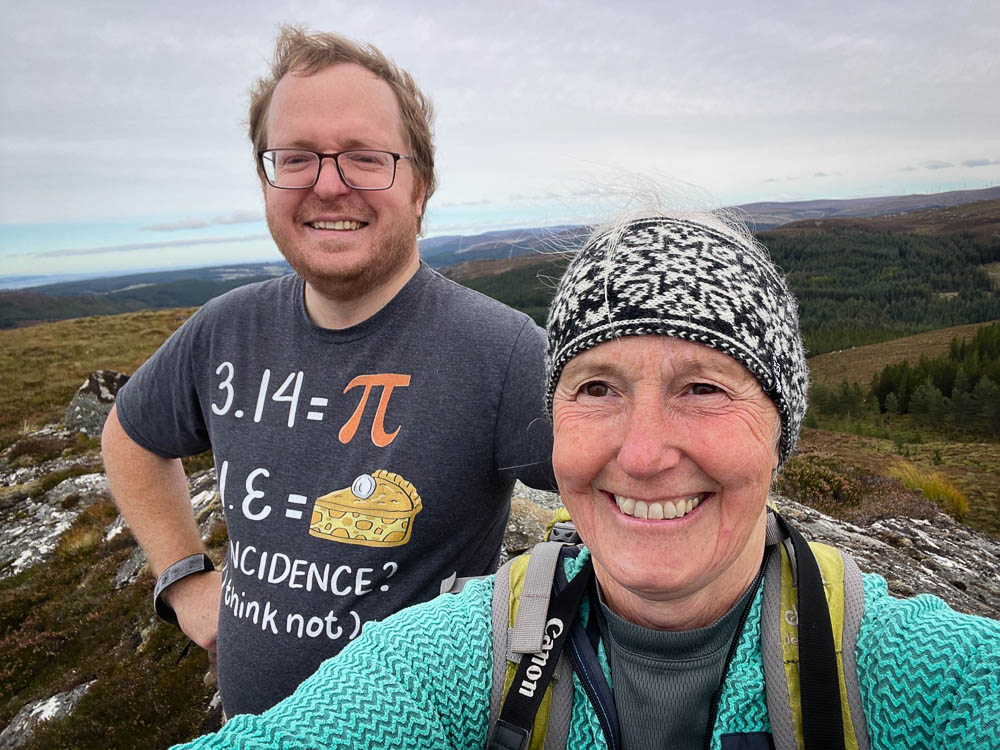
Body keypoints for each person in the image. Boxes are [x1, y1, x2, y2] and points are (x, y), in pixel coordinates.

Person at [168, 210, 1000, 749]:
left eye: (703, 388)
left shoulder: (914, 674)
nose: (641, 455)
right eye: (597, 388)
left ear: (781, 430)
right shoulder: (456, 656)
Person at [101, 26, 554, 717]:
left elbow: (629, 482)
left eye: (366, 158)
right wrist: (184, 578)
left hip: (413, 728)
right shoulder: (226, 329)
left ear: (420, 186)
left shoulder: (500, 349)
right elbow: (130, 435)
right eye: (297, 158)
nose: (329, 184)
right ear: (266, 180)